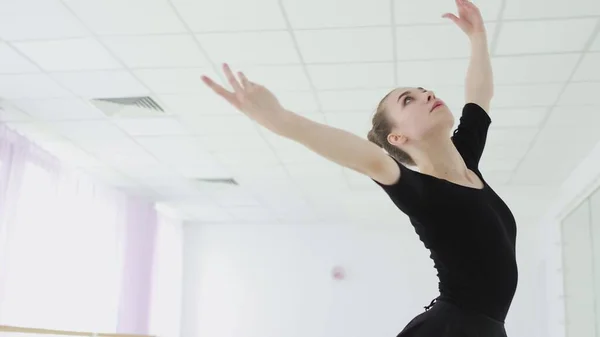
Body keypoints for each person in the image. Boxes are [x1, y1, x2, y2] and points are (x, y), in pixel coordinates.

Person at [201, 0, 516, 335]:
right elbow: (364, 155)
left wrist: (478, 37)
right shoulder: (421, 193)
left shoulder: (467, 159)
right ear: (397, 138)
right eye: (408, 100)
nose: (427, 95)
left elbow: (479, 95)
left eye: (424, 91)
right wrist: (280, 120)